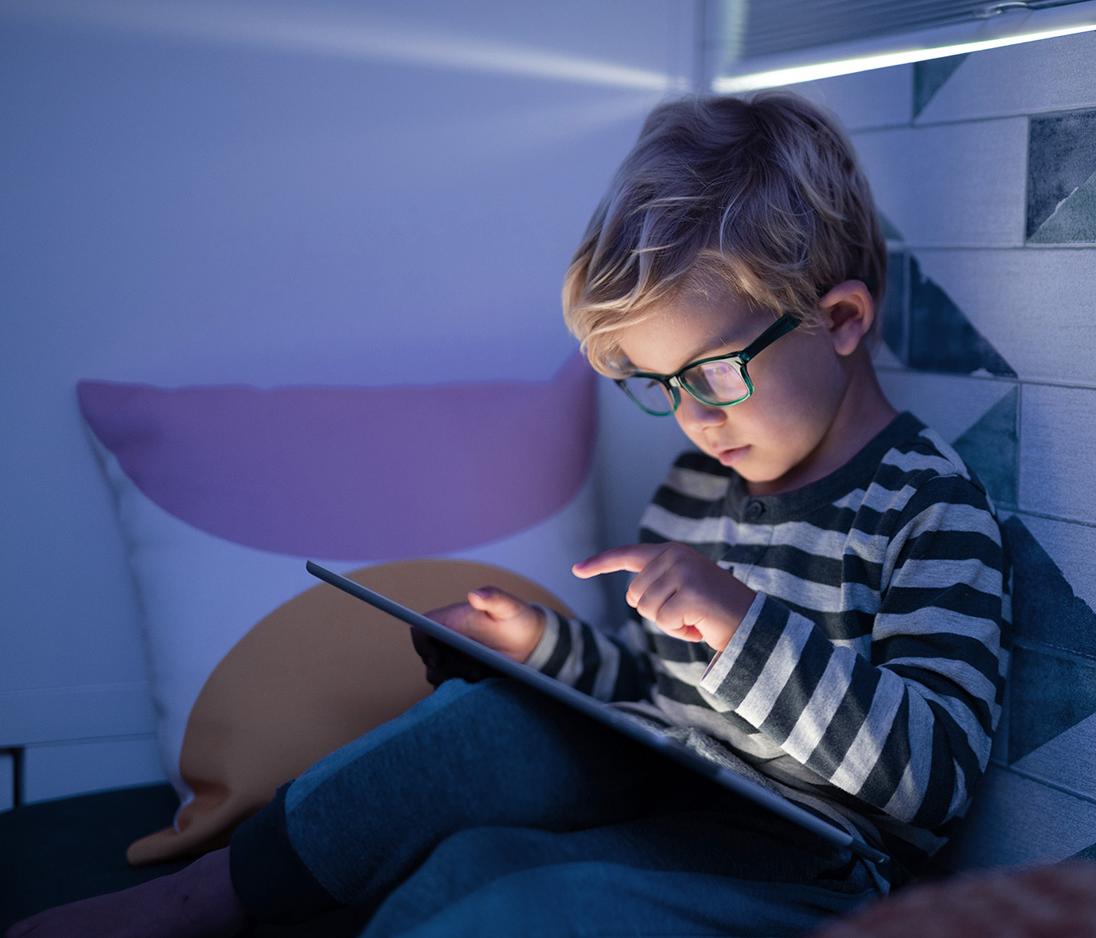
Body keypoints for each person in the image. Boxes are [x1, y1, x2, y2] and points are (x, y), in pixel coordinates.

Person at [7, 89, 1010, 938]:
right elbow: (654, 690)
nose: (693, 418)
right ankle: (207, 894)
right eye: (660, 384)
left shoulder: (929, 513)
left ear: (838, 322)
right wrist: (548, 649)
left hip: (806, 868)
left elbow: (933, 780)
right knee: (481, 761)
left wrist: (745, 625)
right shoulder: (701, 485)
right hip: (660, 792)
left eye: (711, 373)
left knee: (534, 900)